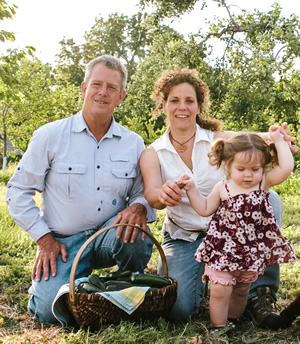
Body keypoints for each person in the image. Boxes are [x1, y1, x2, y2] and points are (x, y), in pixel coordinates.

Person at [139, 67, 298, 329]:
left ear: (199, 106)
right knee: (180, 309)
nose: (182, 107)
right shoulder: (152, 153)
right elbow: (152, 195)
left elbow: (253, 138)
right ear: (163, 104)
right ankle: (214, 278)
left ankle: (260, 292)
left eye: (189, 100)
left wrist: (277, 138)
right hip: (185, 235)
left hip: (233, 235)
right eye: (175, 100)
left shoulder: (216, 141)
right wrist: (163, 194)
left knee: (271, 200)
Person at [5, 55, 156, 324]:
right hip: (64, 242)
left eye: (111, 88)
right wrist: (44, 239)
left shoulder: (133, 142)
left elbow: (142, 189)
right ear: (84, 88)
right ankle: (69, 281)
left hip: (108, 236)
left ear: (121, 97)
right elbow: (18, 191)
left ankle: (124, 286)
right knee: (47, 313)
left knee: (137, 233)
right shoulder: (50, 135)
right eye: (97, 84)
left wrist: (138, 206)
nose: (103, 92)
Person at [177, 130, 296, 333]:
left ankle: (233, 319)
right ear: (228, 165)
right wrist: (191, 189)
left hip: (250, 253)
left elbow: (286, 168)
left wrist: (278, 140)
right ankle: (219, 325)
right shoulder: (223, 187)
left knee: (241, 290)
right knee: (220, 291)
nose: (248, 174)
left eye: (255, 169)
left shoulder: (262, 183)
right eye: (241, 169)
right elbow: (205, 208)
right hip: (224, 251)